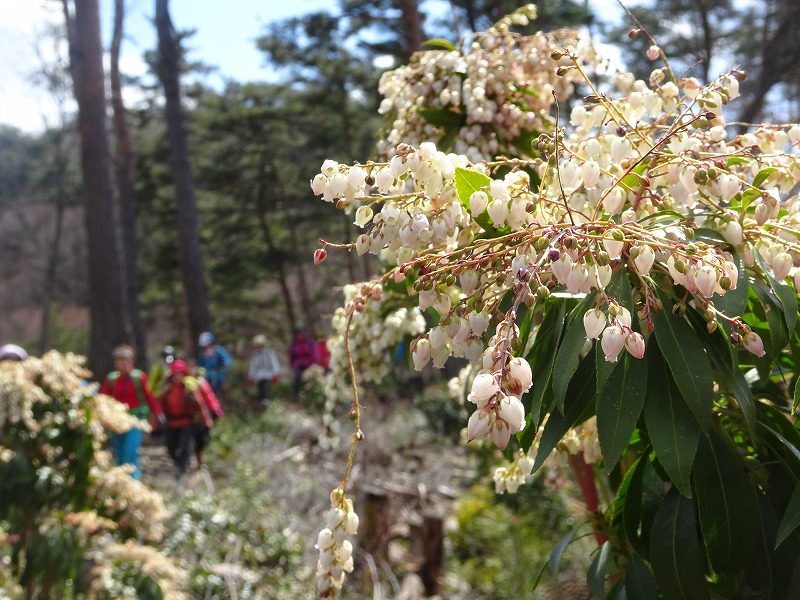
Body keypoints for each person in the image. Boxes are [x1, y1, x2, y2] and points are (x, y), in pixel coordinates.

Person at [100, 344, 165, 480]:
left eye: (125, 360)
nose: (122, 364)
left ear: (132, 361)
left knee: (130, 451)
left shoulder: (139, 377)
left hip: (135, 419)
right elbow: (103, 399)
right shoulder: (111, 379)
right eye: (119, 360)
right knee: (119, 454)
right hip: (117, 421)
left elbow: (149, 397)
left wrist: (158, 414)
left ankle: (134, 480)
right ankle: (120, 482)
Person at [159, 359, 218, 476]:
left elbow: (200, 404)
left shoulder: (189, 388)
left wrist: (206, 420)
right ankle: (180, 467)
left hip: (186, 422)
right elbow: (160, 406)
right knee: (171, 448)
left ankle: (183, 471)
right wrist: (156, 423)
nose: (178, 377)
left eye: (180, 374)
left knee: (183, 448)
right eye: (176, 374)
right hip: (171, 423)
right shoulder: (167, 389)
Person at [187, 358, 223, 467]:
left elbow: (209, 397)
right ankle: (194, 460)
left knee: (201, 439)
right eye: (189, 367)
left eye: (192, 367)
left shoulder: (201, 382)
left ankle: (200, 460)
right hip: (189, 417)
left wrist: (216, 410)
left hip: (203, 416)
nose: (191, 370)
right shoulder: (184, 382)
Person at [247, 334, 281, 405]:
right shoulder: (255, 355)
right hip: (258, 377)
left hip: (269, 375)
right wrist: (251, 377)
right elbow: (253, 367)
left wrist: (276, 373)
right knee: (260, 390)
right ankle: (263, 403)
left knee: (265, 388)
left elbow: (274, 363)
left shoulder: (269, 353)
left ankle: (266, 402)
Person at [289, 328, 317, 397]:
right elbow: (291, 355)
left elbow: (314, 353)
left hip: (308, 363)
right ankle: (296, 394)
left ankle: (308, 394)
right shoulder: (294, 344)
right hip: (298, 363)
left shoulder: (309, 343)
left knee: (307, 378)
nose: (300, 336)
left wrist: (313, 362)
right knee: (297, 377)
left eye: (301, 334)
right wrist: (291, 364)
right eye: (299, 334)